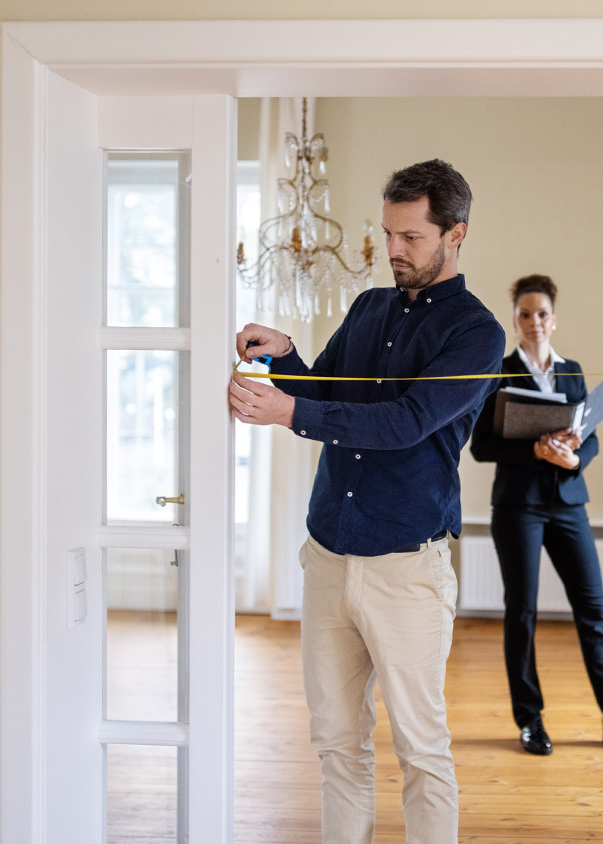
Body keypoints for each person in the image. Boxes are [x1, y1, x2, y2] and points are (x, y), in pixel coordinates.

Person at [228, 159, 504, 844]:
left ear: (456, 233)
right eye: (387, 233)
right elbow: (326, 393)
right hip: (327, 557)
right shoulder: (369, 306)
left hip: (406, 571)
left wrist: (288, 409)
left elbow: (404, 423)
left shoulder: (477, 334)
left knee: (421, 749)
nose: (393, 251)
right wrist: (288, 357)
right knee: (336, 744)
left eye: (410, 236)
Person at [469, 274, 603, 757]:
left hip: (568, 503)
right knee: (522, 613)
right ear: (514, 320)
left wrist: (576, 457)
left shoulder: (573, 371)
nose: (534, 322)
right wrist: (536, 450)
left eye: (541, 314)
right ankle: (530, 721)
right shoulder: (498, 373)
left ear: (553, 320)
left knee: (593, 611)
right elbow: (481, 447)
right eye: (524, 314)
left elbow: (591, 434)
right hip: (517, 506)